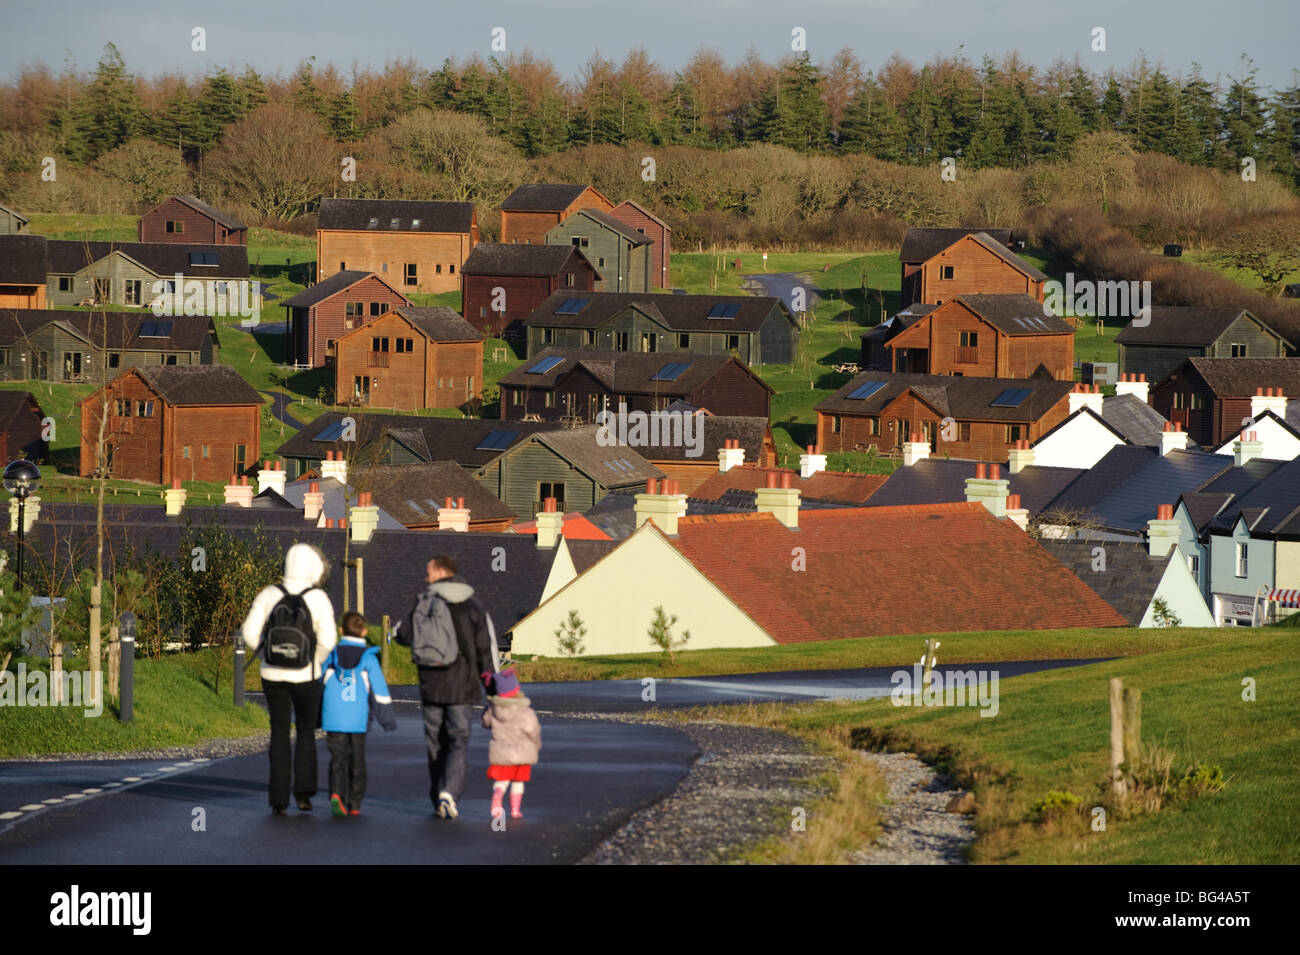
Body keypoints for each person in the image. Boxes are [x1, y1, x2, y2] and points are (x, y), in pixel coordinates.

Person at [394, 553, 495, 820]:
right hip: (462, 686)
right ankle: (449, 792)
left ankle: (437, 790)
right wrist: (492, 690)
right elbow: (485, 650)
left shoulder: (425, 603)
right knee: (458, 741)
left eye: (429, 572)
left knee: (435, 741)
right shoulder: (474, 604)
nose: (426, 578)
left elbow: (403, 636)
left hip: (431, 683)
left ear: (440, 573)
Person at [240, 543, 338, 815]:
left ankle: (278, 799)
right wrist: (313, 661)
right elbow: (329, 640)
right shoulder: (318, 598)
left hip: (272, 676)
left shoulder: (269, 594)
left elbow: (249, 633)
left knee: (279, 733)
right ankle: (304, 795)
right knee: (306, 732)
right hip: (307, 675)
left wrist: (266, 655)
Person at [321, 611, 397, 817]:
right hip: (358, 719)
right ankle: (354, 803)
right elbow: (379, 691)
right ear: (364, 631)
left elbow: (318, 682)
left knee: (337, 758)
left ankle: (336, 794)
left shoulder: (332, 655)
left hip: (334, 717)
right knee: (357, 760)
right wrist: (387, 720)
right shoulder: (368, 658)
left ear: (341, 630)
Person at [481, 668, 541, 820]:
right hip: (522, 753)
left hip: (501, 752)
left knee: (502, 780)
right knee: (518, 781)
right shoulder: (525, 711)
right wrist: (536, 745)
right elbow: (533, 730)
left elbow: (485, 722)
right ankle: (515, 810)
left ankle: (497, 797)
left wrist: (488, 707)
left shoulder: (493, 710)